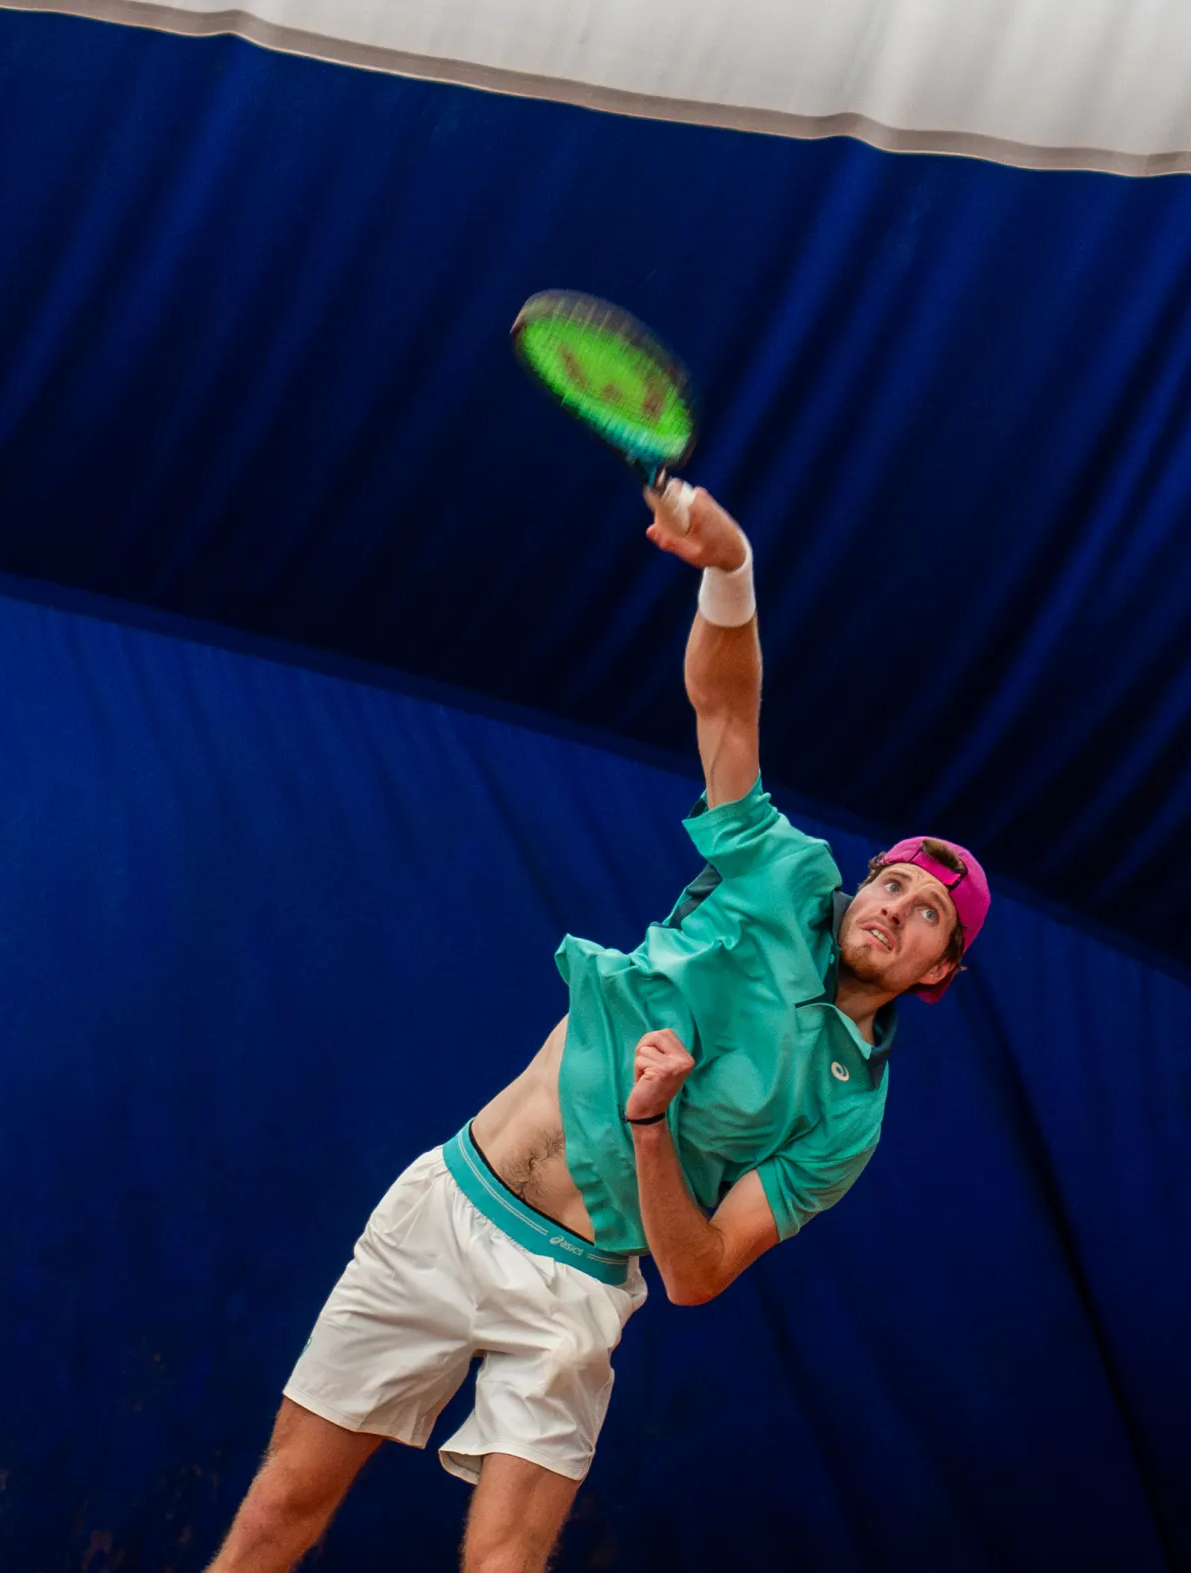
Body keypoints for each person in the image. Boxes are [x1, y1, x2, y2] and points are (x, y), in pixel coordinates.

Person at [205, 480, 990, 1573]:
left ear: (940, 970)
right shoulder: (782, 873)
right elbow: (724, 710)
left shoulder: (847, 1114)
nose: (893, 907)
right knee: (277, 1515)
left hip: (575, 1289)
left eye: (926, 916)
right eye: (893, 883)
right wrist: (730, 571)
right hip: (449, 1207)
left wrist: (653, 1125)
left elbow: (700, 1271)